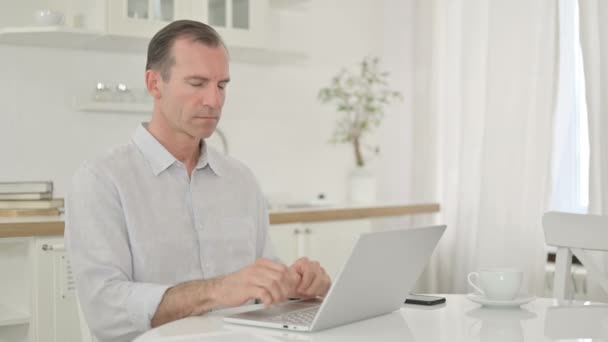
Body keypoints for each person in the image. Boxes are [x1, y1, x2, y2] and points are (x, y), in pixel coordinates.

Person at [65, 20, 331, 342]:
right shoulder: (101, 181)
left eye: (221, 85)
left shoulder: (240, 180)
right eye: (197, 83)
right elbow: (104, 311)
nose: (214, 101)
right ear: (154, 84)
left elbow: (263, 286)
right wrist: (219, 290)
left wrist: (296, 285)